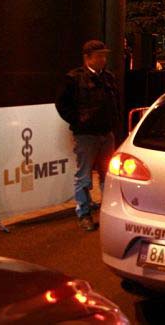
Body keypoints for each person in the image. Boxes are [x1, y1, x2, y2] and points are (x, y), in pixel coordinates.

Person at [55, 40, 120, 232]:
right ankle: (84, 214)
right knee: (83, 176)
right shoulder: (74, 78)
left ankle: (107, 212)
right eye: (99, 56)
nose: (103, 59)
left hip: (106, 133)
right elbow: (61, 104)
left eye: (104, 55)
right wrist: (78, 121)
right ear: (87, 58)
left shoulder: (108, 77)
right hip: (86, 136)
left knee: (107, 175)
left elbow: (115, 102)